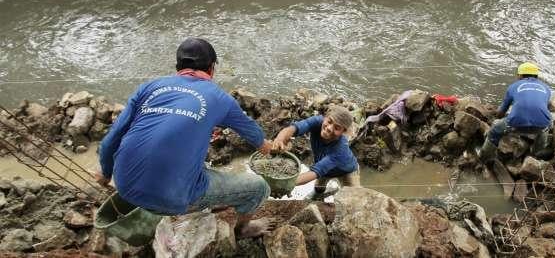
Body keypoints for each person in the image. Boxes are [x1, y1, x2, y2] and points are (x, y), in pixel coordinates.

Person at [97, 38, 275, 238]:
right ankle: (243, 229)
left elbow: (109, 142)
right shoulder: (219, 97)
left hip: (125, 188)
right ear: (212, 68)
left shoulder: (149, 88)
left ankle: (208, 202)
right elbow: (253, 133)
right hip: (173, 198)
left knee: (196, 164)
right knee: (259, 187)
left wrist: (105, 175)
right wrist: (266, 146)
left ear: (178, 67)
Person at [272, 105, 360, 196]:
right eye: (329, 122)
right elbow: (294, 128)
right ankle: (319, 199)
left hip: (347, 171)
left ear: (343, 132)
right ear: (325, 118)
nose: (329, 128)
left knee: (353, 197)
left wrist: (284, 184)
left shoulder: (341, 150)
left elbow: (316, 171)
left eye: (337, 128)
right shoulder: (317, 122)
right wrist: (280, 139)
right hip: (324, 168)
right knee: (318, 189)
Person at [478, 62, 552, 163]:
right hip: (541, 126)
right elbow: (540, 107)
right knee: (546, 126)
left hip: (515, 125)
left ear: (520, 75)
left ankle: (484, 157)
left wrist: (496, 120)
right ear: (536, 75)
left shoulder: (513, 86)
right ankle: (535, 155)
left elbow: (502, 111)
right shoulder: (546, 88)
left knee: (495, 130)